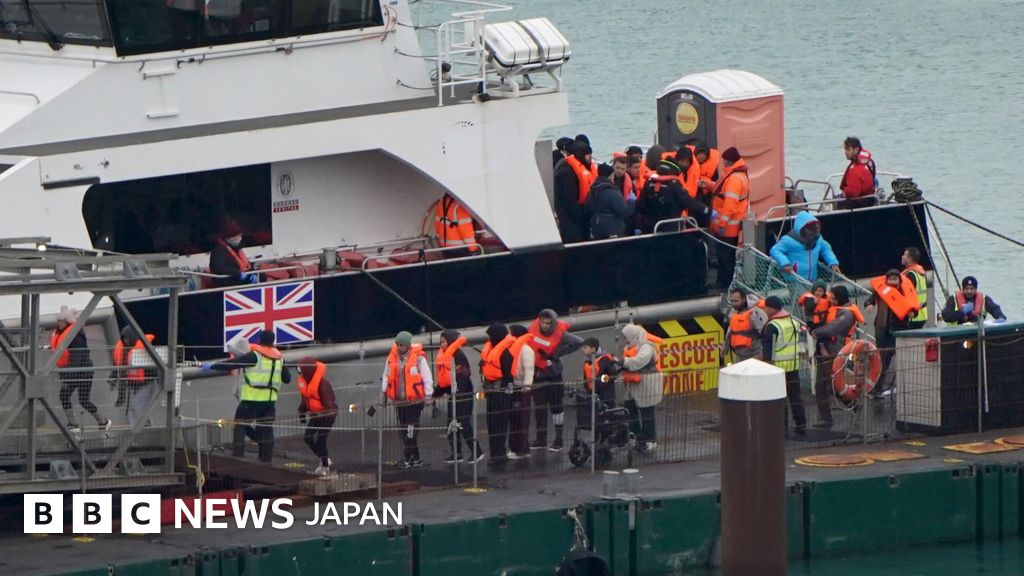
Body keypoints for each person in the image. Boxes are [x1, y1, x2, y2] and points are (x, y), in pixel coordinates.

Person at [203, 329, 290, 463]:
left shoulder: (255, 356)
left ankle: (238, 454)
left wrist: (212, 366)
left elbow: (231, 364)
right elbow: (287, 379)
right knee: (266, 429)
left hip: (251, 399)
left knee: (240, 425)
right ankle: (266, 459)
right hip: (270, 402)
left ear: (260, 341)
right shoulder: (280, 358)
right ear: (273, 342)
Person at [528, 309, 583, 452]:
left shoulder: (562, 334)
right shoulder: (533, 330)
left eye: (548, 323)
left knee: (556, 408)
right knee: (539, 409)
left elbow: (579, 342)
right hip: (537, 375)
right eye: (543, 323)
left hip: (553, 376)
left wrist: (558, 354)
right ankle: (541, 439)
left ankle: (558, 440)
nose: (545, 326)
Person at [810, 285, 864, 428]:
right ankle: (826, 419)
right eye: (831, 298)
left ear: (840, 298)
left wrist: (816, 332)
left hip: (837, 352)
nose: (831, 301)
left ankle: (854, 405)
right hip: (825, 351)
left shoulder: (846, 314)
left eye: (834, 298)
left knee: (835, 386)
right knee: (821, 386)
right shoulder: (835, 309)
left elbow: (833, 328)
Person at [53, 306, 110, 433]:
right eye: (58, 321)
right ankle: (73, 423)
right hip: (71, 371)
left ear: (66, 322)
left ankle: (103, 421)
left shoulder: (75, 335)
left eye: (61, 321)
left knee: (83, 400)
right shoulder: (62, 334)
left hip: (82, 371)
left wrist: (67, 378)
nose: (58, 324)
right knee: (64, 396)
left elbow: (76, 358)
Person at [382, 331, 433, 469]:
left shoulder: (419, 359)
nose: (399, 347)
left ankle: (408, 457)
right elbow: (386, 375)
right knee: (404, 430)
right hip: (400, 402)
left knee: (411, 430)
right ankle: (415, 458)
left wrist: (428, 395)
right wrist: (384, 393)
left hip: (415, 402)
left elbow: (427, 378)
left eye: (402, 345)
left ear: (408, 345)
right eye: (397, 344)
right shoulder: (391, 358)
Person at [865, 270, 917, 397]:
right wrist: (869, 305)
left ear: (900, 281)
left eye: (895, 279)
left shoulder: (905, 293)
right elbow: (869, 300)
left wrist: (913, 313)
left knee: (904, 361)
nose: (893, 282)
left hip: (900, 331)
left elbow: (914, 309)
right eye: (890, 279)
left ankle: (907, 387)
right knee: (883, 362)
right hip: (883, 332)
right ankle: (876, 388)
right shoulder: (880, 291)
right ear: (886, 280)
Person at [435, 329, 484, 464]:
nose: (442, 345)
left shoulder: (458, 355)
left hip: (463, 395)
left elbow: (463, 376)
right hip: (453, 394)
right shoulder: (445, 356)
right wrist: (435, 394)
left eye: (444, 342)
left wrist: (459, 393)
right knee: (451, 424)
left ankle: (477, 451)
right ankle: (456, 453)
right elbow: (444, 380)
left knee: (463, 423)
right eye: (441, 342)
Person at [760, 296, 806, 434]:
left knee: (780, 398)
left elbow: (768, 351)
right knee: (795, 397)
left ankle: (782, 426)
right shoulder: (793, 321)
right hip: (793, 365)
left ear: (771, 308)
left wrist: (766, 365)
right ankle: (801, 423)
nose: (764, 309)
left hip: (778, 367)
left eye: (766, 307)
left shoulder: (772, 326)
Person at [709, 147, 750, 288]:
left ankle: (724, 283)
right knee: (726, 255)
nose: (722, 162)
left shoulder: (734, 179)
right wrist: (710, 185)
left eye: (724, 160)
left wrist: (721, 223)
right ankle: (725, 281)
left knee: (725, 256)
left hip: (727, 227)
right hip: (730, 225)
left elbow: (730, 205)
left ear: (729, 160)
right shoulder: (737, 175)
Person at [619, 324, 662, 452]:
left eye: (625, 337)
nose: (624, 340)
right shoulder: (629, 347)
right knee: (630, 409)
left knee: (647, 412)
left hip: (647, 384)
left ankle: (650, 440)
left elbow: (639, 361)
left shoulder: (646, 347)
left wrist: (623, 362)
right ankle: (636, 436)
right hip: (633, 384)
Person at [769, 211, 841, 283]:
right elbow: (775, 250)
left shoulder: (818, 239)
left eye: (815, 229)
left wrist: (832, 263)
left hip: (812, 279)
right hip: (794, 279)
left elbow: (826, 249)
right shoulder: (788, 240)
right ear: (801, 228)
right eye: (809, 229)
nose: (812, 232)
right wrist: (785, 263)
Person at [480, 323, 515, 465]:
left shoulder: (505, 354)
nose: (488, 338)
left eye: (490, 335)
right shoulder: (490, 350)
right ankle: (494, 452)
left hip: (501, 393)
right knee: (491, 423)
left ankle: (499, 454)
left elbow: (508, 377)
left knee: (500, 423)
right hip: (490, 392)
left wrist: (506, 392)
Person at [296, 357, 338, 476]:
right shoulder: (306, 383)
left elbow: (329, 403)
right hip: (315, 414)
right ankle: (324, 458)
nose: (300, 373)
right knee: (308, 438)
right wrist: (302, 413)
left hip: (327, 416)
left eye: (302, 370)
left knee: (321, 440)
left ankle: (325, 466)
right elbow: (305, 400)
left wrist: (325, 414)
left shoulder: (323, 384)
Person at [111, 326, 157, 428]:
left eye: (127, 338)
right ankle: (147, 430)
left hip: (147, 383)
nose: (125, 341)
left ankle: (136, 432)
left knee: (136, 407)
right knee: (141, 409)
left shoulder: (145, 348)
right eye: (124, 339)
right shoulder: (124, 349)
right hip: (133, 384)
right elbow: (117, 365)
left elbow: (155, 366)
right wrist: (113, 378)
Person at [554, 140, 597, 243]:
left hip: (582, 214)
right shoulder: (567, 171)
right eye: (588, 155)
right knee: (574, 240)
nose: (590, 157)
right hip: (570, 217)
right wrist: (580, 216)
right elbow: (569, 198)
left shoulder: (582, 167)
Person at [507, 324, 536, 459]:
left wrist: (526, 386)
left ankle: (522, 449)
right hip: (515, 386)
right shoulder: (513, 349)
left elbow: (529, 369)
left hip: (523, 389)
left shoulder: (525, 350)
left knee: (521, 419)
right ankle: (515, 447)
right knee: (514, 419)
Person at [586, 163, 634, 239]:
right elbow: (624, 211)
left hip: (596, 226)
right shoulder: (612, 192)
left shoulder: (593, 189)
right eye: (612, 175)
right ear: (609, 176)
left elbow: (589, 206)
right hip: (612, 229)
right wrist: (631, 201)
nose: (613, 177)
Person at [724, 287, 768, 363]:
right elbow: (731, 330)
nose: (734, 304)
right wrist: (726, 346)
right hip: (740, 356)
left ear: (744, 299)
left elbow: (765, 332)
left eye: (736, 301)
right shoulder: (734, 312)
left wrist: (763, 354)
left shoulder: (756, 312)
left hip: (755, 356)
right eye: (732, 301)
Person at [940, 276, 1007, 325]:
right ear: (962, 289)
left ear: (976, 289)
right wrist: (962, 311)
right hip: (956, 334)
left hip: (977, 333)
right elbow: (946, 317)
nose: (969, 291)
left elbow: (995, 309)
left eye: (972, 288)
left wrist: (1001, 317)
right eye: (966, 288)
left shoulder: (984, 299)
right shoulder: (953, 299)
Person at [209, 219, 256, 288]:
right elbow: (219, 268)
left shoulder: (236, 248)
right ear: (230, 238)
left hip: (240, 276)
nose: (240, 239)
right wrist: (238, 273)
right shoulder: (218, 250)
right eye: (237, 237)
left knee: (261, 276)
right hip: (227, 280)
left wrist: (252, 271)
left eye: (240, 236)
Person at [838, 136, 877, 209]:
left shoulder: (856, 170)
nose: (845, 152)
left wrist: (845, 192)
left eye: (848, 149)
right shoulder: (869, 162)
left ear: (856, 149)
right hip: (869, 199)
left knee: (834, 201)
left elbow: (853, 192)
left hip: (859, 204)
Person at [581, 337, 617, 408]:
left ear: (593, 349)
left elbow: (613, 374)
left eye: (585, 348)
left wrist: (601, 381)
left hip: (606, 395)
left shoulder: (605, 359)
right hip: (592, 394)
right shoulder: (587, 362)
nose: (583, 350)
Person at [901, 247, 929, 329]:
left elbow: (906, 295)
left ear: (909, 259)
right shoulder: (921, 273)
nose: (902, 257)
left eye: (904, 255)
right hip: (922, 315)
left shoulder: (909, 275)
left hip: (912, 316)